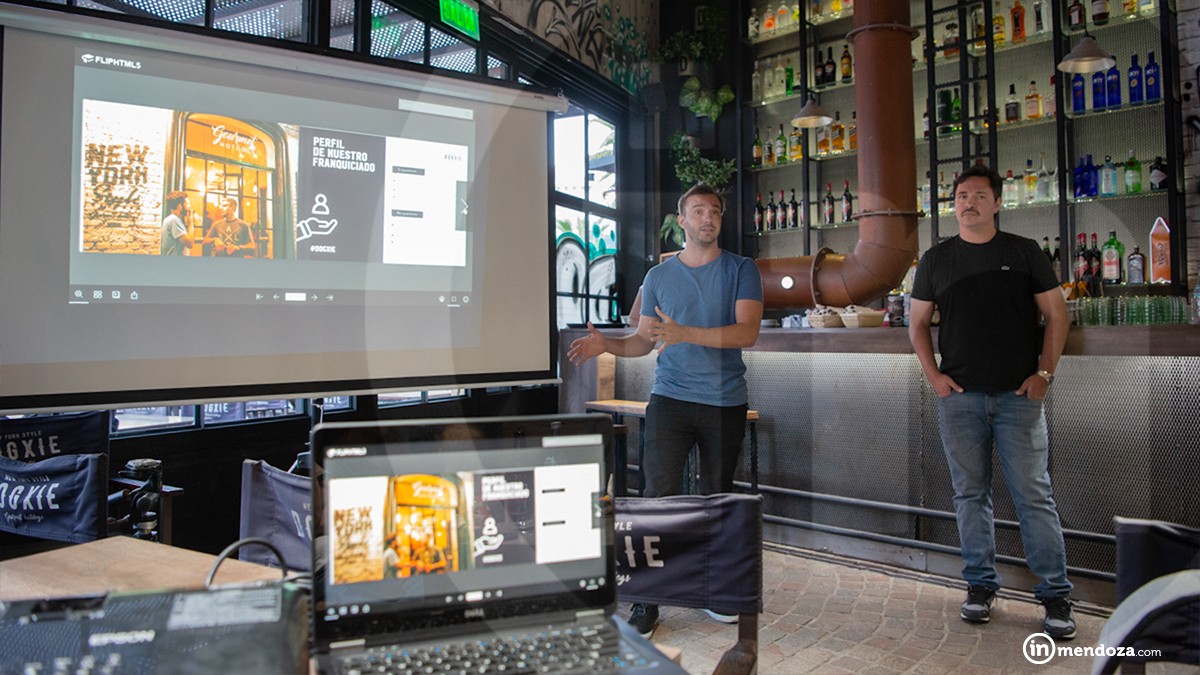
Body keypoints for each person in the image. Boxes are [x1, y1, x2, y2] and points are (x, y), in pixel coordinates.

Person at [567, 183, 764, 638]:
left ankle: (715, 591)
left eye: (714, 211)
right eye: (698, 211)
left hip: (724, 401)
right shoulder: (658, 276)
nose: (708, 218)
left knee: (716, 497)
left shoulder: (742, 269)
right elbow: (642, 341)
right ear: (682, 220)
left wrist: (685, 333)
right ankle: (648, 600)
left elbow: (747, 333)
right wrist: (606, 344)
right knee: (657, 499)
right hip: (670, 399)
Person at [908, 164, 1075, 640]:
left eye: (980, 195)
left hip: (1018, 397)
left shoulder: (1023, 251)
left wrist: (1044, 374)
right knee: (969, 495)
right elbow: (916, 324)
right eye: (962, 196)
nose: (969, 203)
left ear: (997, 203)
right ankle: (980, 586)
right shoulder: (936, 259)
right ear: (953, 204)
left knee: (1034, 496)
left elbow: (1057, 314)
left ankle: (1055, 595)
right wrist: (935, 377)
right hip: (960, 399)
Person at [159, 191, 194, 256]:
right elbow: (190, 244)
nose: (190, 206)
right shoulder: (174, 220)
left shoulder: (171, 219)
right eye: (187, 203)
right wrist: (191, 222)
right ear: (180, 206)